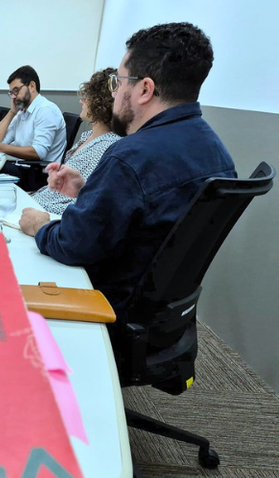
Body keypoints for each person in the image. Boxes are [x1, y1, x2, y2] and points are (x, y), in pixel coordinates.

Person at [18, 22, 236, 328]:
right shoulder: (217, 152)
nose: (116, 92)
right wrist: (89, 192)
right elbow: (151, 217)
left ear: (144, 89)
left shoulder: (129, 156)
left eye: (118, 83)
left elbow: (72, 245)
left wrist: (40, 225)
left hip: (108, 305)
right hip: (161, 315)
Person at [31, 68, 121, 215]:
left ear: (99, 103)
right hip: (42, 200)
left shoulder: (108, 145)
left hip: (49, 212)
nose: (81, 101)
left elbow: (79, 203)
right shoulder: (87, 136)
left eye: (86, 97)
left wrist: (35, 208)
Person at [0, 65, 67, 165]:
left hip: (38, 174)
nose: (13, 97)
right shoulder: (21, 112)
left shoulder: (46, 110)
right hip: (23, 168)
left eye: (16, 91)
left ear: (32, 86)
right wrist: (12, 113)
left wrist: (2, 148)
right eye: (11, 93)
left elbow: (39, 152)